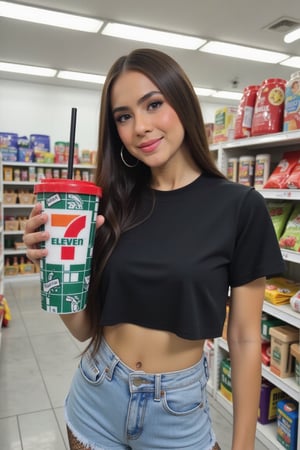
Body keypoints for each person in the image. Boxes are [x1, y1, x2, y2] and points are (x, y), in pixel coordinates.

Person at [23, 48, 285, 450]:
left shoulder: (239, 206)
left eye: (154, 104)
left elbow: (247, 337)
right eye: (123, 116)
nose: (140, 127)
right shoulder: (110, 203)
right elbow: (83, 330)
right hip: (96, 395)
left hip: (178, 411)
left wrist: (244, 445)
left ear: (182, 102)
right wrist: (56, 267)